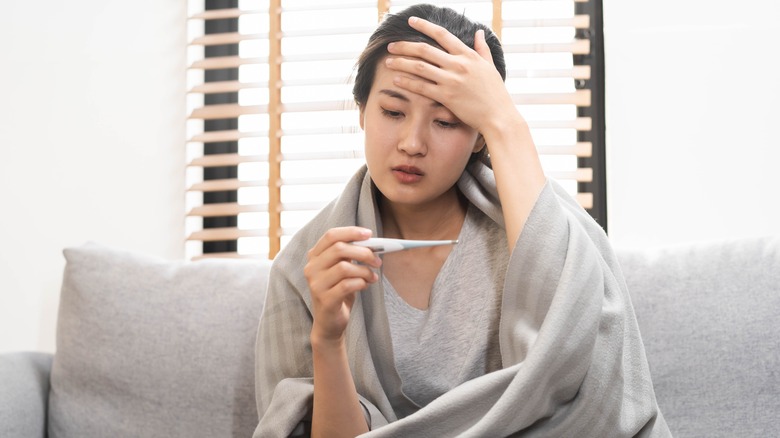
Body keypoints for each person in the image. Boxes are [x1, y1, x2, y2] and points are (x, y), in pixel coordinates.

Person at [253, 4, 670, 437]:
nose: (412, 143)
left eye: (447, 121)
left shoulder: (545, 232)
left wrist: (505, 119)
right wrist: (328, 339)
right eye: (393, 113)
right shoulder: (303, 269)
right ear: (362, 112)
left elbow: (579, 368)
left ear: (479, 137)